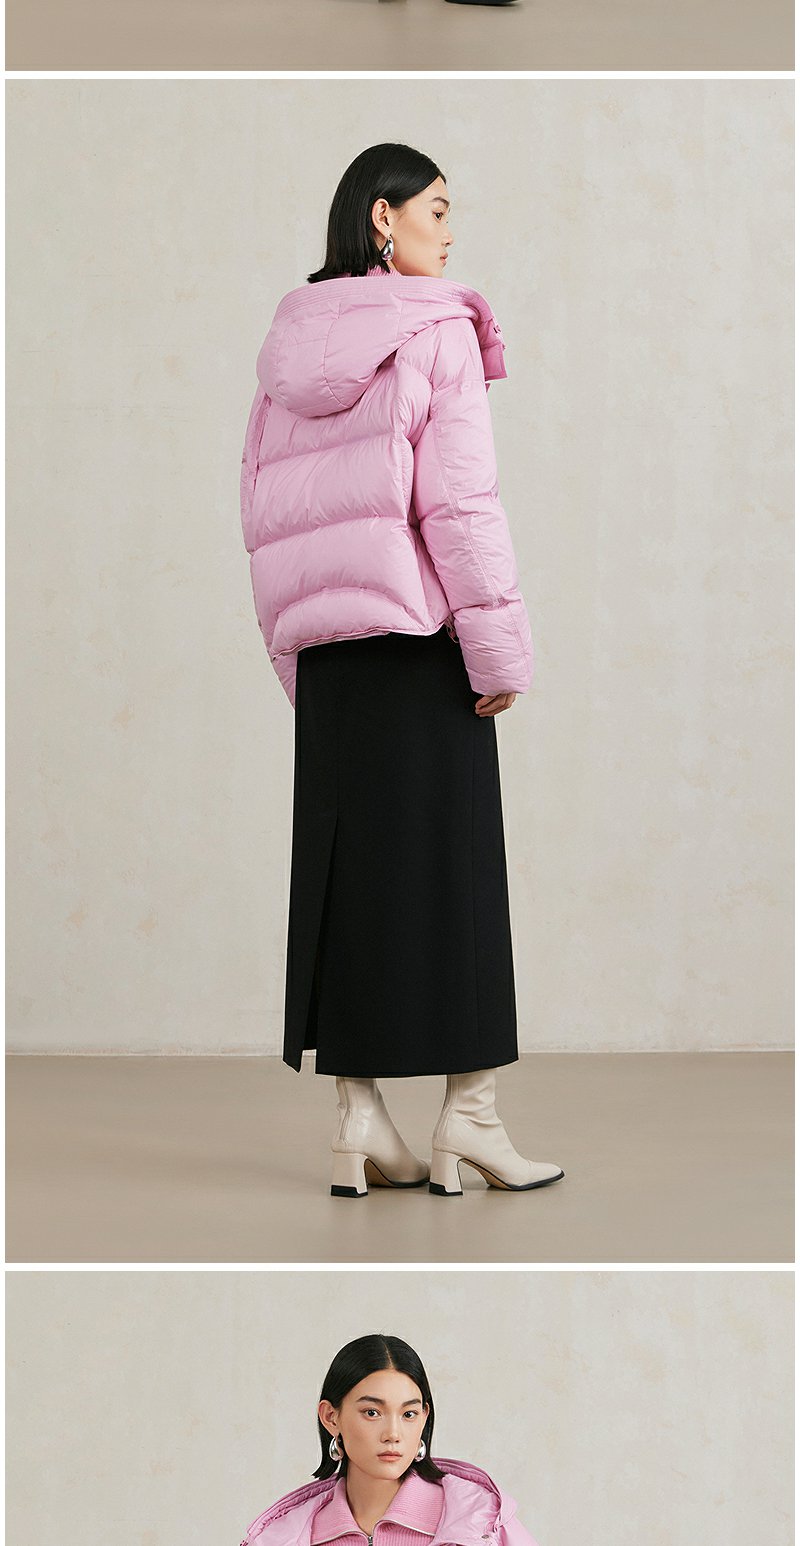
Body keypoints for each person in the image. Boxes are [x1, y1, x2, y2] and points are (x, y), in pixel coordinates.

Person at [240, 142, 564, 1197]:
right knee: (454, 873)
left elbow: (262, 508)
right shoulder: (436, 327)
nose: (449, 233)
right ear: (382, 218)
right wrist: (496, 647)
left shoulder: (291, 343)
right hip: (423, 642)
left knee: (348, 876)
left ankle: (358, 1120)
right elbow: (457, 503)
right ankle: (470, 1119)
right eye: (436, 209)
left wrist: (294, 653)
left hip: (333, 657)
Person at [240, 1335, 542, 1546]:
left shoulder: (482, 1523)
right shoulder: (284, 1537)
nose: (393, 1434)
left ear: (424, 1417)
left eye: (409, 1414)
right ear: (331, 1417)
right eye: (372, 1412)